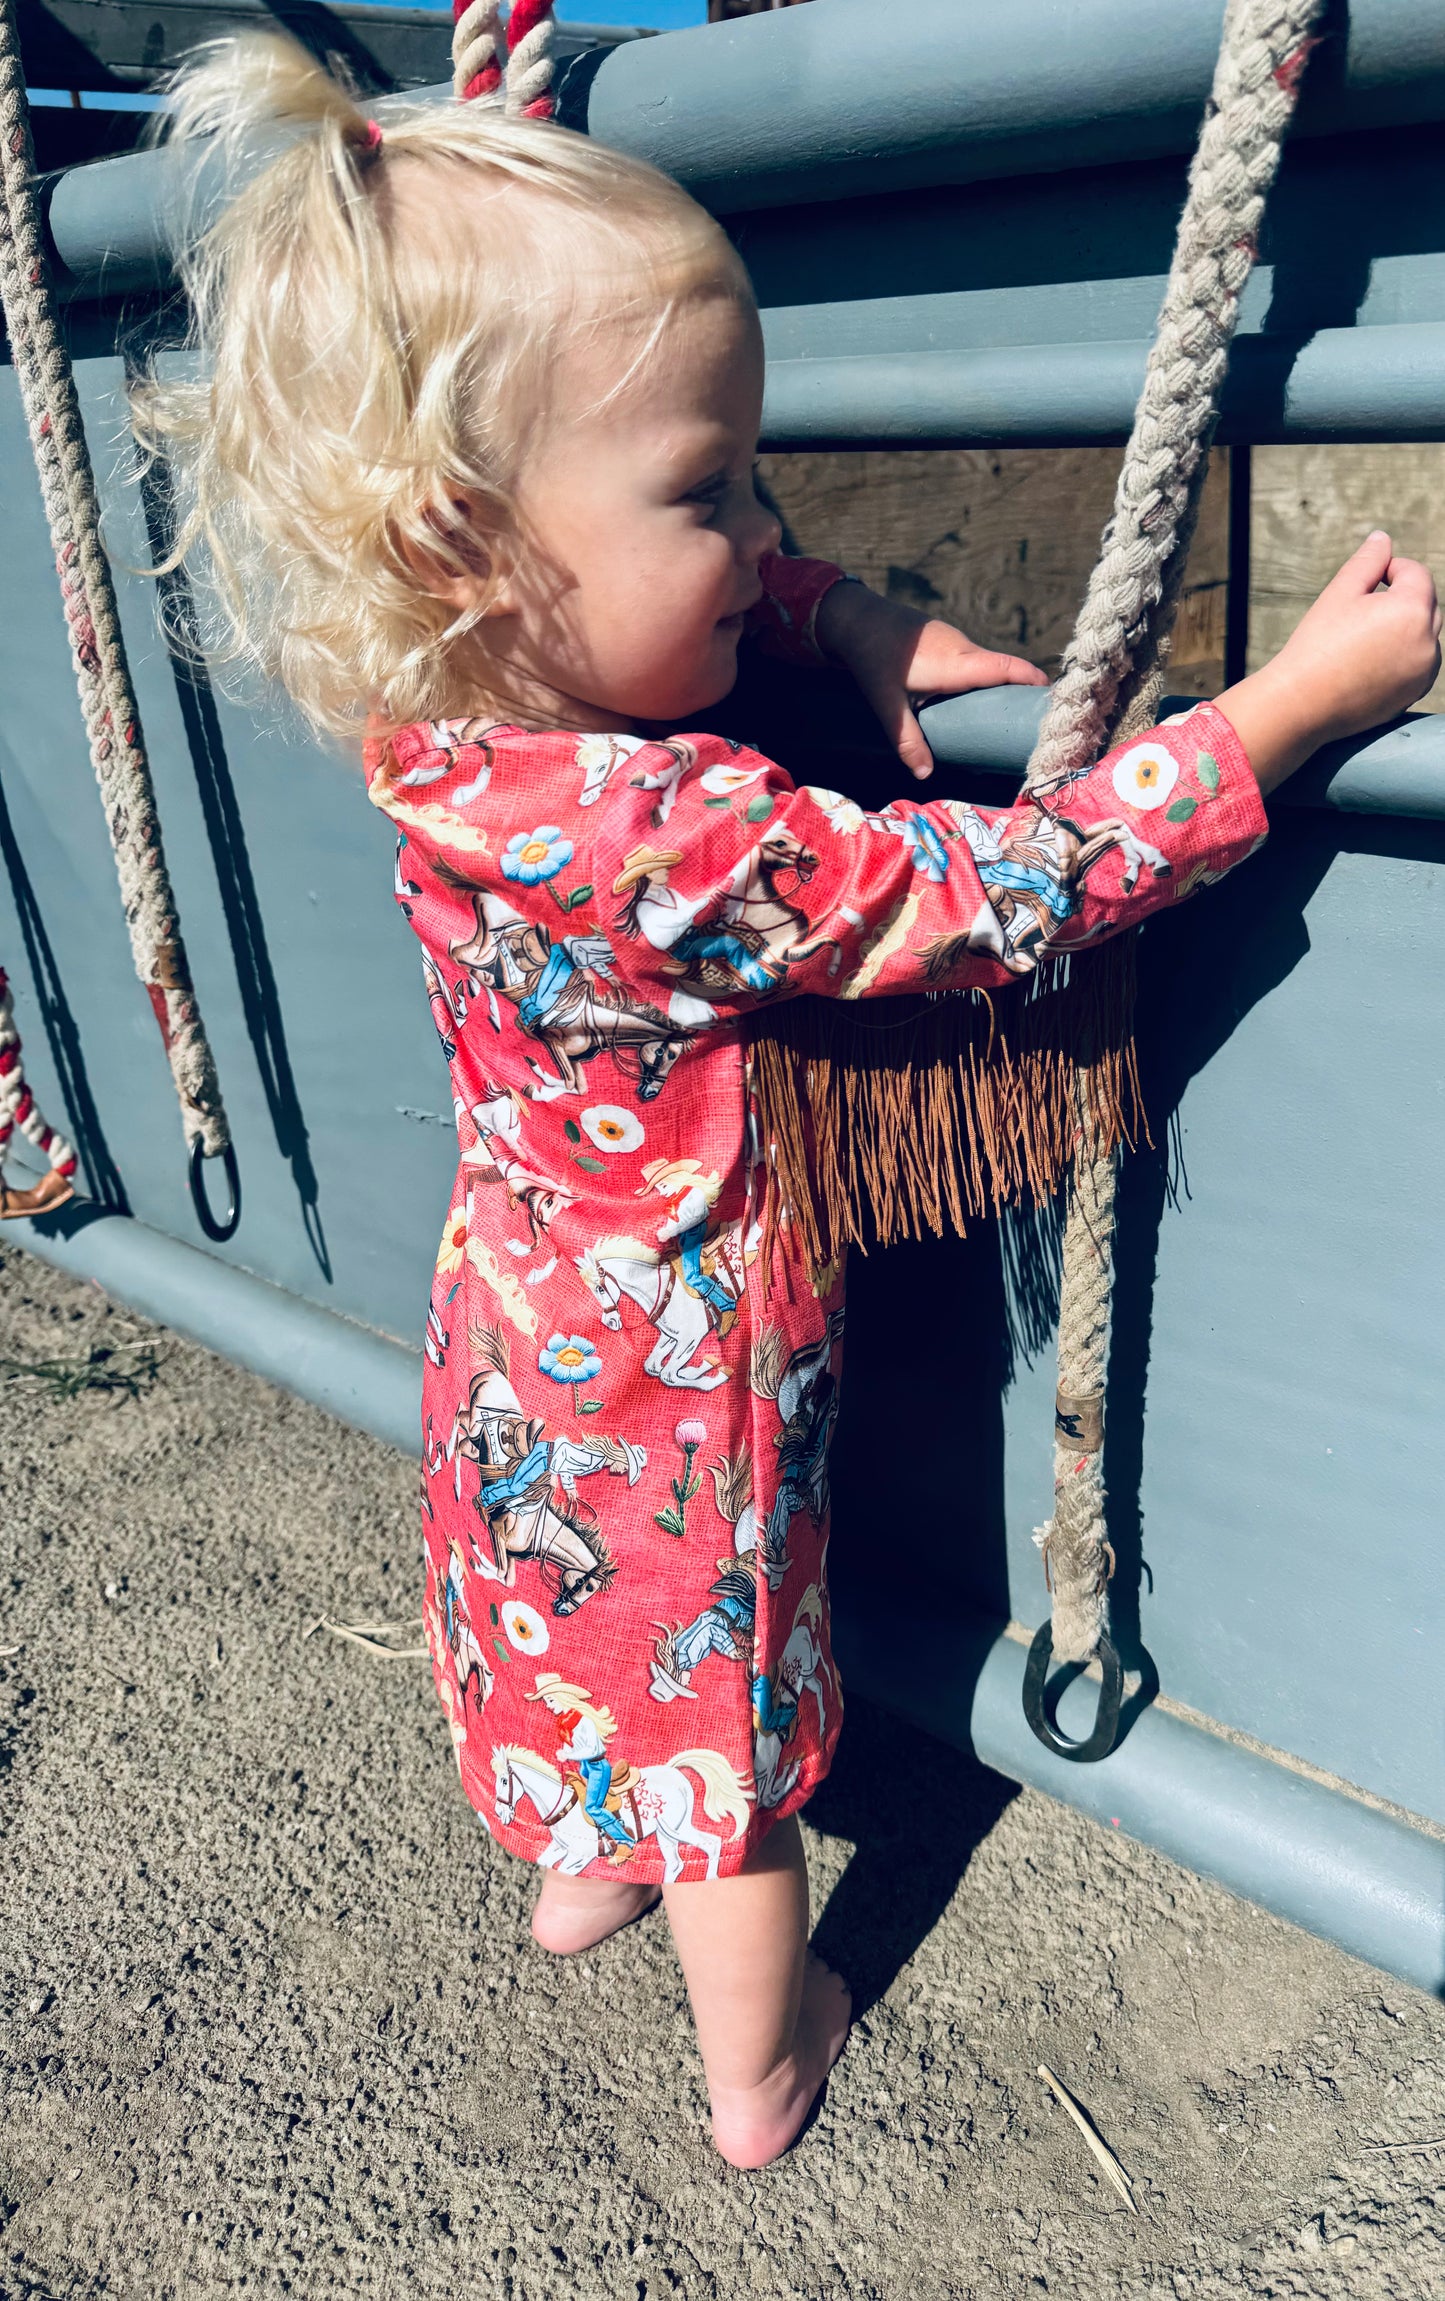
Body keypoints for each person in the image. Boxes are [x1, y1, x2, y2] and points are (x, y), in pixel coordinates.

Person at [136, 35, 1442, 2169]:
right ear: (475, 536)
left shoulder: (442, 723)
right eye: (711, 492)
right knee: (721, 1743)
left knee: (550, 1625)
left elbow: (669, 621)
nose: (762, 527)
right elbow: (1017, 891)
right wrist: (1296, 705)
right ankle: (762, 2057)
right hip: (687, 1385)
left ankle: (581, 1864)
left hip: (517, 1325)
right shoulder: (671, 835)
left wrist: (827, 616)